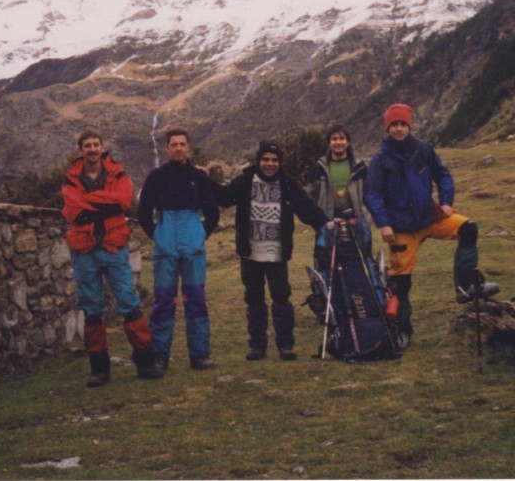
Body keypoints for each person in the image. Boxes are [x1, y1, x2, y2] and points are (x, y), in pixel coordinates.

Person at [364, 103, 498, 349]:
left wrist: (447, 201)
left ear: (409, 125)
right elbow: (372, 194)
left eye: (402, 124)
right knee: (400, 282)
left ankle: (466, 285)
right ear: (387, 128)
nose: (399, 129)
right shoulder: (380, 159)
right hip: (401, 227)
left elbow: (443, 175)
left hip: (430, 219)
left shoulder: (423, 149)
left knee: (468, 228)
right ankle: (401, 331)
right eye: (394, 125)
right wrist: (383, 224)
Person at [61, 130, 163, 387]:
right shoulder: (71, 177)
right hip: (84, 249)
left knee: (129, 302)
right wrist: (107, 205)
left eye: (96, 144)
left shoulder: (118, 173)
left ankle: (146, 361)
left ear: (102, 147)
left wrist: (89, 204)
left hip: (113, 246)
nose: (92, 149)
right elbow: (74, 210)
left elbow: (124, 200)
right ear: (80, 150)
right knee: (91, 308)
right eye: (87, 146)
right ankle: (99, 369)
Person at [215, 140, 329, 361]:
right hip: (250, 253)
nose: (269, 164)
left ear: (280, 162)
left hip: (277, 254)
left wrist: (327, 225)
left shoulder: (288, 184)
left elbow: (308, 209)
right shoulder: (245, 181)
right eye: (265, 159)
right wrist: (204, 181)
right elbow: (224, 197)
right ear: (259, 160)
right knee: (253, 299)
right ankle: (257, 346)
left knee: (281, 297)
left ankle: (286, 345)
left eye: (274, 160)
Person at [137, 129, 220, 371]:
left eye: (183, 144)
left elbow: (213, 211)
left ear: (189, 147)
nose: (178, 148)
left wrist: (200, 235)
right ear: (167, 148)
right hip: (166, 244)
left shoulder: (199, 177)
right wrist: (158, 236)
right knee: (163, 300)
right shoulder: (157, 176)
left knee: (196, 298)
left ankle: (200, 354)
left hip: (192, 243)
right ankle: (160, 355)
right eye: (174, 144)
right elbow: (143, 211)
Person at [306, 123, 372, 225]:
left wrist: (367, 218)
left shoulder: (360, 167)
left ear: (348, 142)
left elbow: (371, 193)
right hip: (328, 224)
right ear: (329, 143)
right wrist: (317, 218)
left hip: (357, 223)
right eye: (334, 139)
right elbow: (308, 196)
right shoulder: (319, 168)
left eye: (342, 138)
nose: (338, 142)